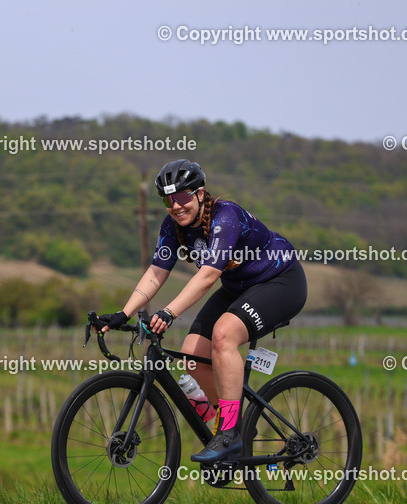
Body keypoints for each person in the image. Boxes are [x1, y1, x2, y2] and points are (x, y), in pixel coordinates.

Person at [100, 159, 307, 463]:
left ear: (200, 193)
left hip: (281, 281)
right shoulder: (173, 227)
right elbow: (157, 272)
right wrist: (124, 312)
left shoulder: (227, 216)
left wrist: (169, 312)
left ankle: (230, 431)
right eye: (168, 200)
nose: (175, 206)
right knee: (191, 356)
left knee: (223, 335)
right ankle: (233, 423)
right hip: (239, 286)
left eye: (182, 197)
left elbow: (208, 275)